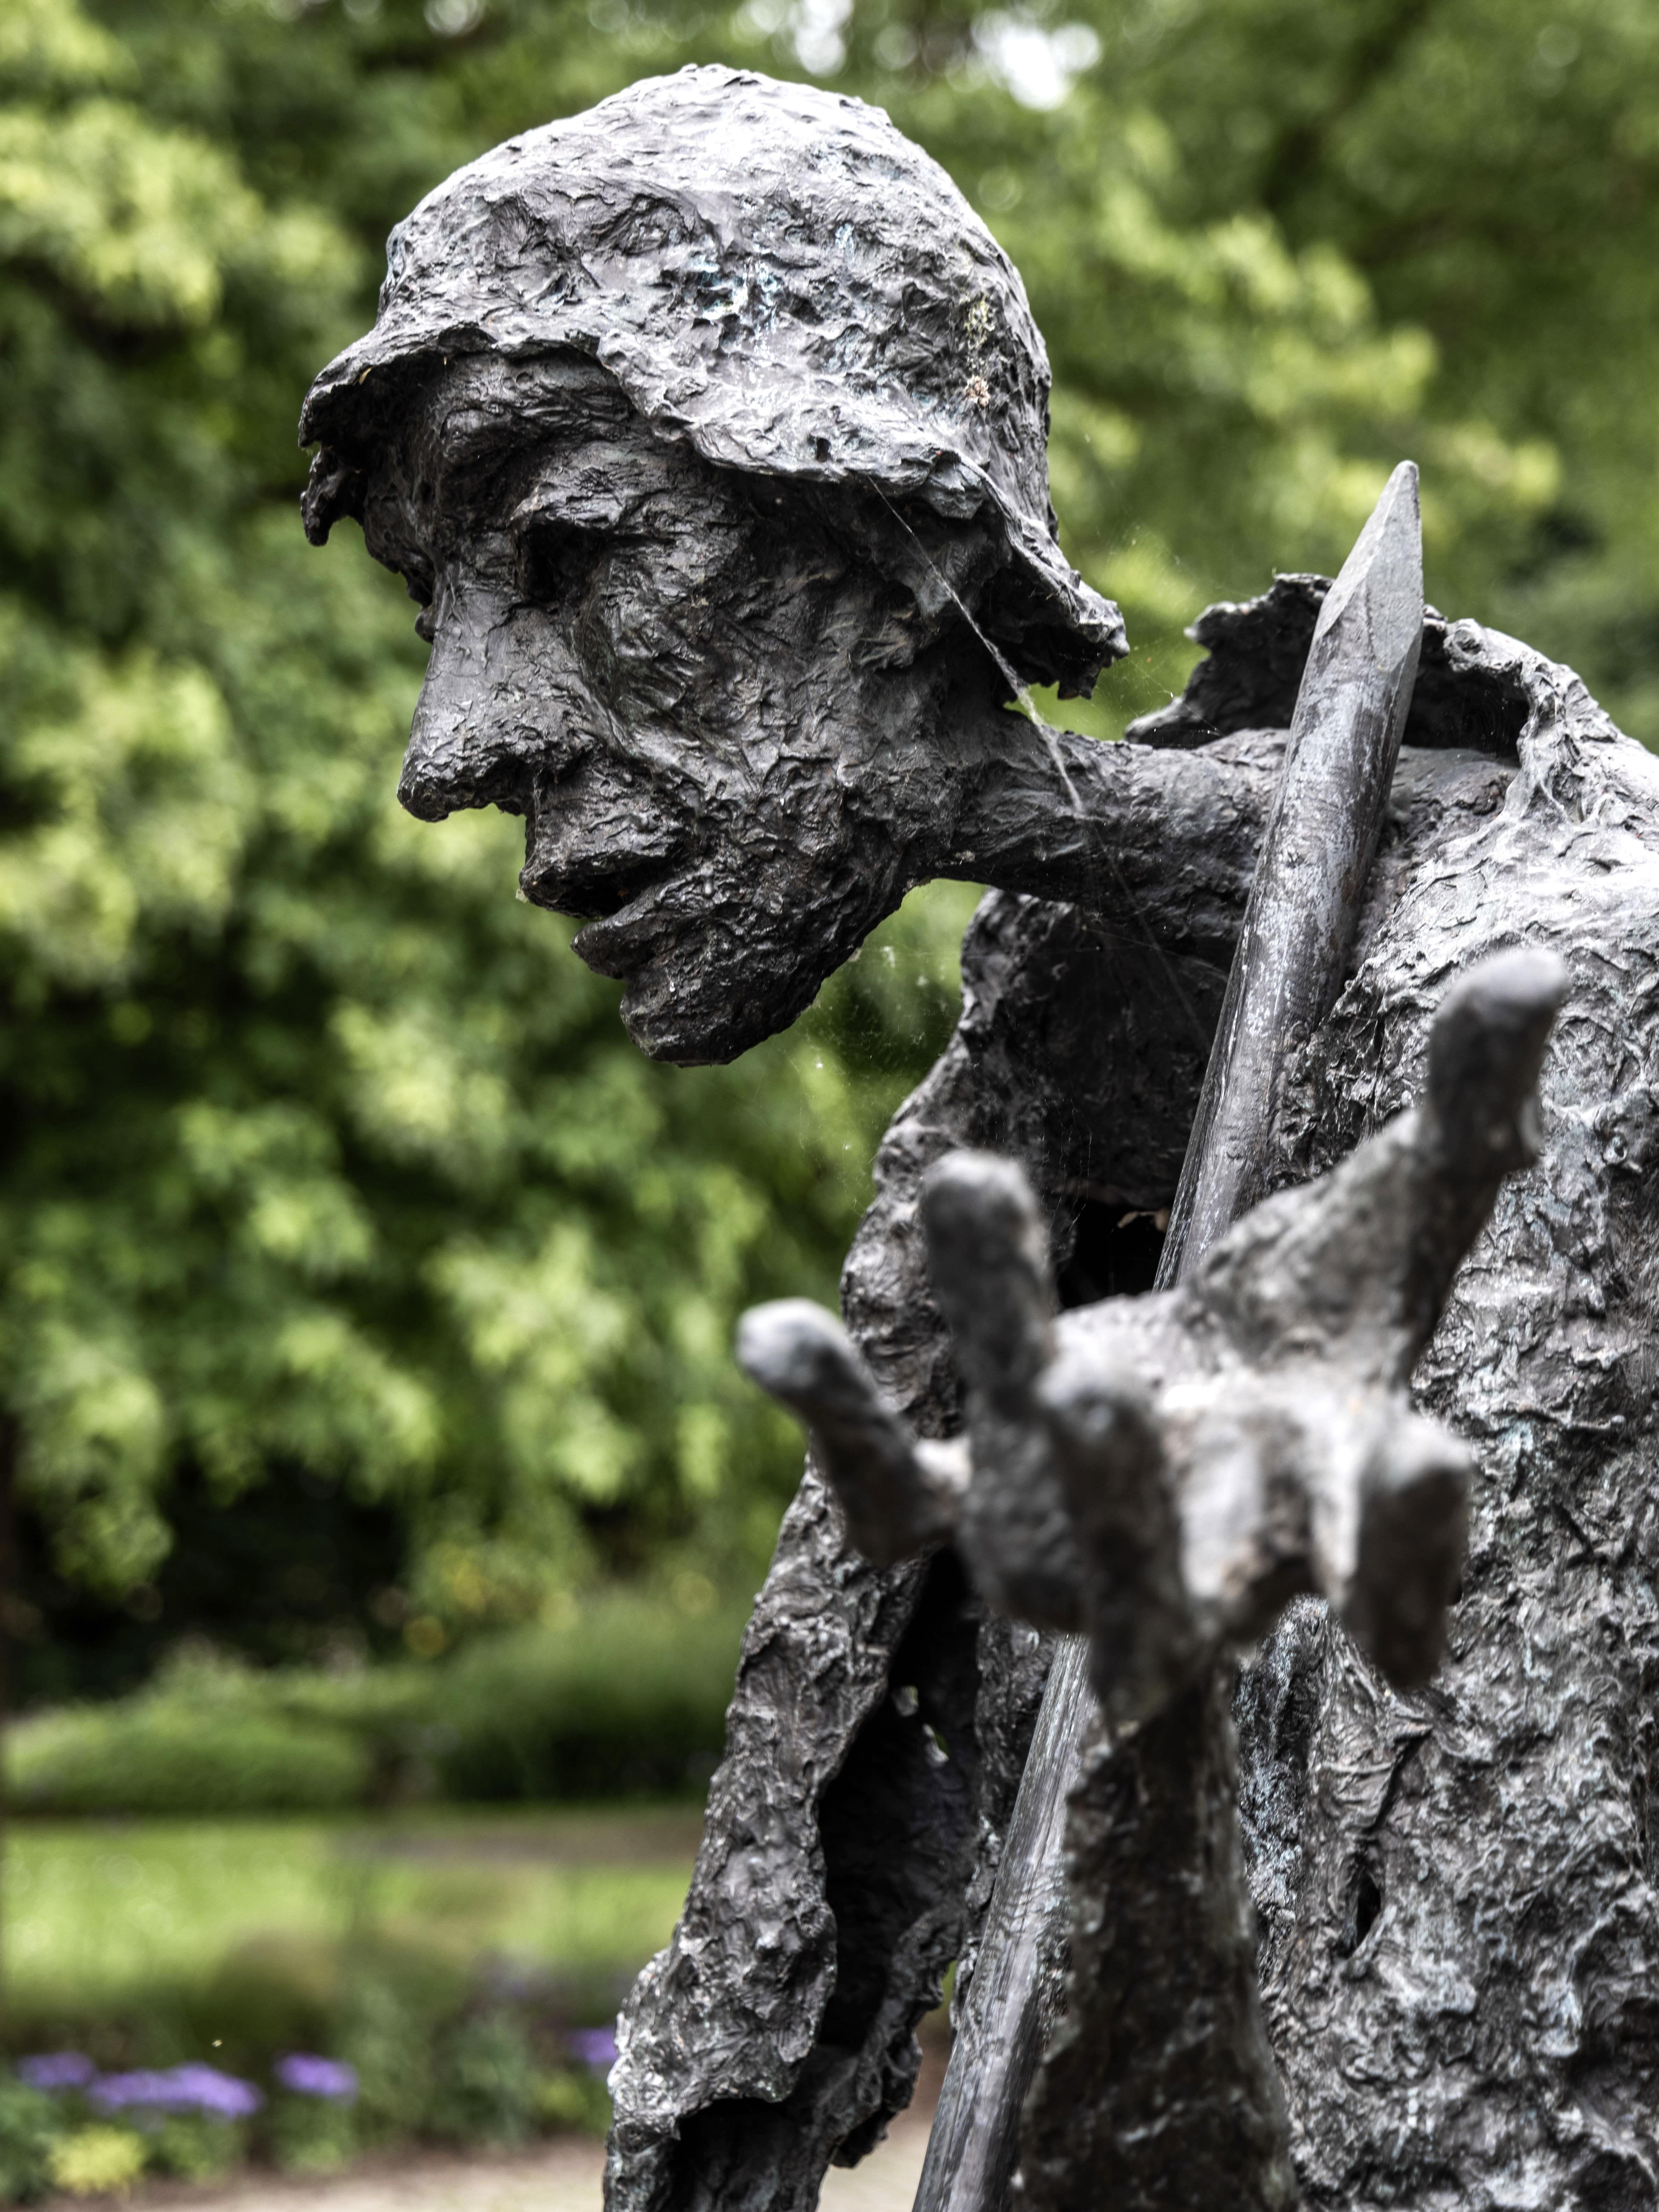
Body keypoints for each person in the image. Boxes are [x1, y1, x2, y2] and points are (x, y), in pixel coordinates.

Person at [304, 65, 1659, 2212]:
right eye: (435, 608)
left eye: (566, 553)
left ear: (898, 539)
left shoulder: (1590, 1006)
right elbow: (850, 1773)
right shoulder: (1060, 1025)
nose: (450, 749)